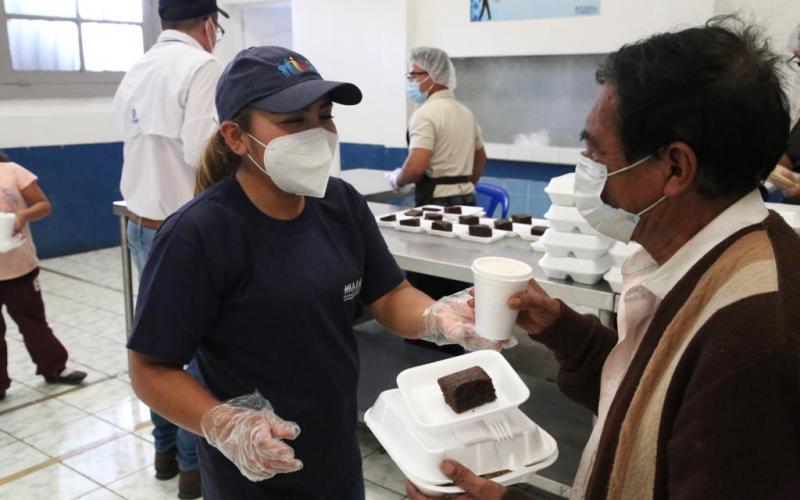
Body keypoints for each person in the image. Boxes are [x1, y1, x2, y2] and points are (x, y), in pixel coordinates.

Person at [407, 16, 800, 500]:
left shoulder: (754, 338)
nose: (587, 171)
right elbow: (647, 401)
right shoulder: (708, 262)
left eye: (596, 152)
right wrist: (559, 327)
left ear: (675, 168)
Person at [126, 45, 511, 500]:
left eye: (324, 116)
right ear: (235, 137)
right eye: (293, 121)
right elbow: (151, 367)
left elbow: (389, 295)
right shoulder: (199, 234)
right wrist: (225, 424)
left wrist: (437, 317)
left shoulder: (341, 203)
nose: (317, 133)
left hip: (337, 454)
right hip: (254, 472)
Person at [111, 0, 227, 496]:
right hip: (183, 233)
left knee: (157, 350)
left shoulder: (137, 68)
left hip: (140, 224)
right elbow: (204, 154)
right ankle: (191, 470)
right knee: (196, 355)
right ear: (207, 24)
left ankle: (163, 452)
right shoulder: (201, 66)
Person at [0, 152, 87, 402]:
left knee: (33, 322)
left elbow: (43, 205)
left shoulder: (13, 170)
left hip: (20, 267)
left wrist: (23, 215)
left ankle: (54, 368)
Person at [386, 47, 487, 207]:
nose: (410, 80)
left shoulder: (425, 114)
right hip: (468, 200)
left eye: (413, 75)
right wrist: (462, 185)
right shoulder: (466, 113)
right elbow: (480, 159)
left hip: (437, 204)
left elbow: (416, 168)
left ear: (433, 76)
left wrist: (397, 179)